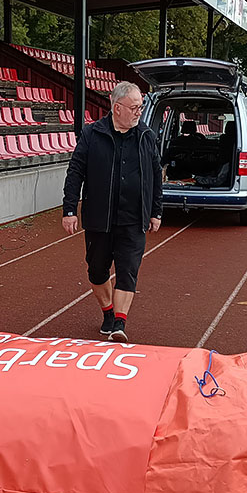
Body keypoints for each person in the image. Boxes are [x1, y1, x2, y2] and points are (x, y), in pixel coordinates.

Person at [62, 81, 163, 343]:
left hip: (134, 219)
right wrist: (69, 209)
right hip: (100, 218)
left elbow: (155, 177)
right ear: (116, 108)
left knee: (128, 271)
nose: (139, 112)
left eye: (141, 107)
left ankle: (119, 322)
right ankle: (108, 313)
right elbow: (75, 172)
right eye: (134, 108)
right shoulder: (92, 134)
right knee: (96, 270)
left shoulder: (146, 136)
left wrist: (156, 212)